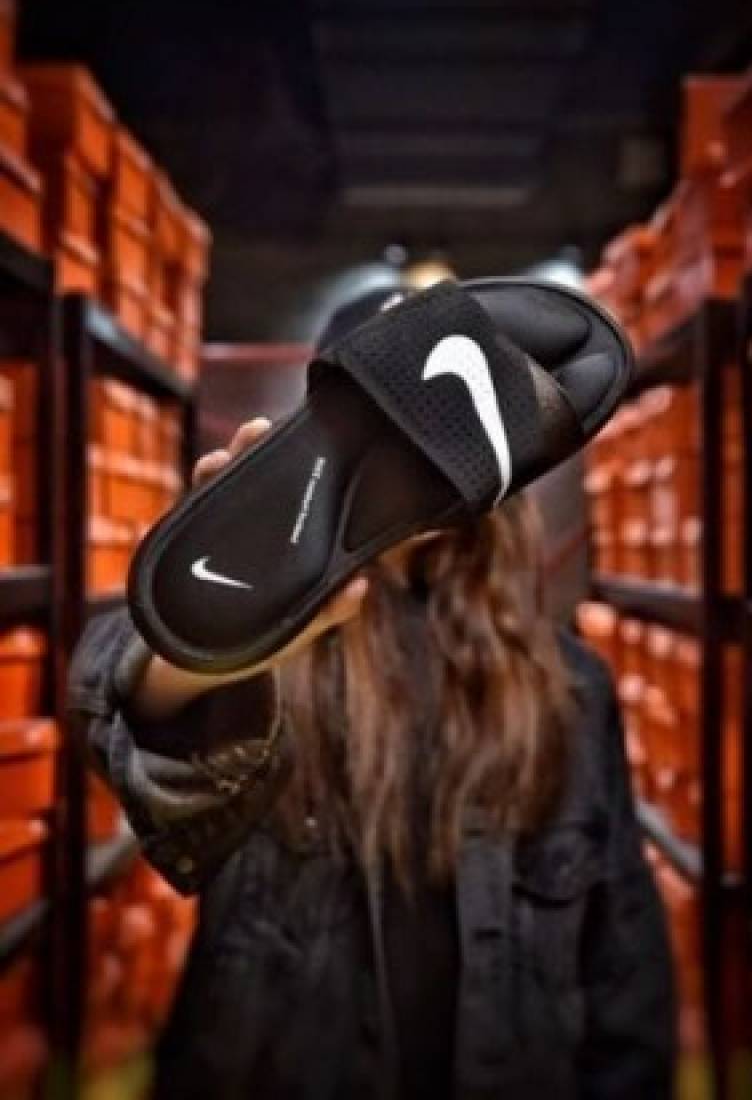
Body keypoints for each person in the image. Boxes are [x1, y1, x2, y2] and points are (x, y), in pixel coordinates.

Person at [70, 307, 675, 1100]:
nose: (415, 451)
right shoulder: (278, 674)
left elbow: (624, 960)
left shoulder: (572, 690)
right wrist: (209, 643)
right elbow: (122, 707)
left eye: (439, 423)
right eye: (384, 425)